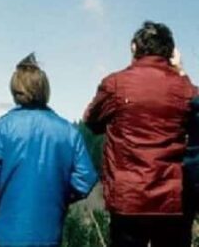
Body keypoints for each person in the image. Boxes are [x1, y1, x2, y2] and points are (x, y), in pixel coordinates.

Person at [83, 21, 197, 247]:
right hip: (171, 199)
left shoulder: (115, 84)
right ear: (170, 52)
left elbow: (91, 120)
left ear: (134, 47)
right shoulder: (185, 88)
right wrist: (181, 71)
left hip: (129, 198)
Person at [0, 53, 98, 247]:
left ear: (16, 90)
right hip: (50, 232)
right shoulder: (68, 132)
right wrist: (60, 196)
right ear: (44, 89)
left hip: (7, 233)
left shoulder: (2, 128)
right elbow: (86, 178)